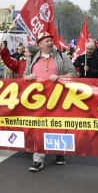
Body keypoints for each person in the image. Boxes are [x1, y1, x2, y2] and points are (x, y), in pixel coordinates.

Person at [24, 32, 77, 172]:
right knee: (39, 128)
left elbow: (74, 73)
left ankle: (59, 153)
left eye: (50, 40)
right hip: (38, 100)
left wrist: (60, 77)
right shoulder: (32, 59)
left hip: (58, 99)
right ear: (40, 44)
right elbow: (24, 76)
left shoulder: (61, 56)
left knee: (57, 126)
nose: (50, 43)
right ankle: (38, 160)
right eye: (47, 41)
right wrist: (28, 76)